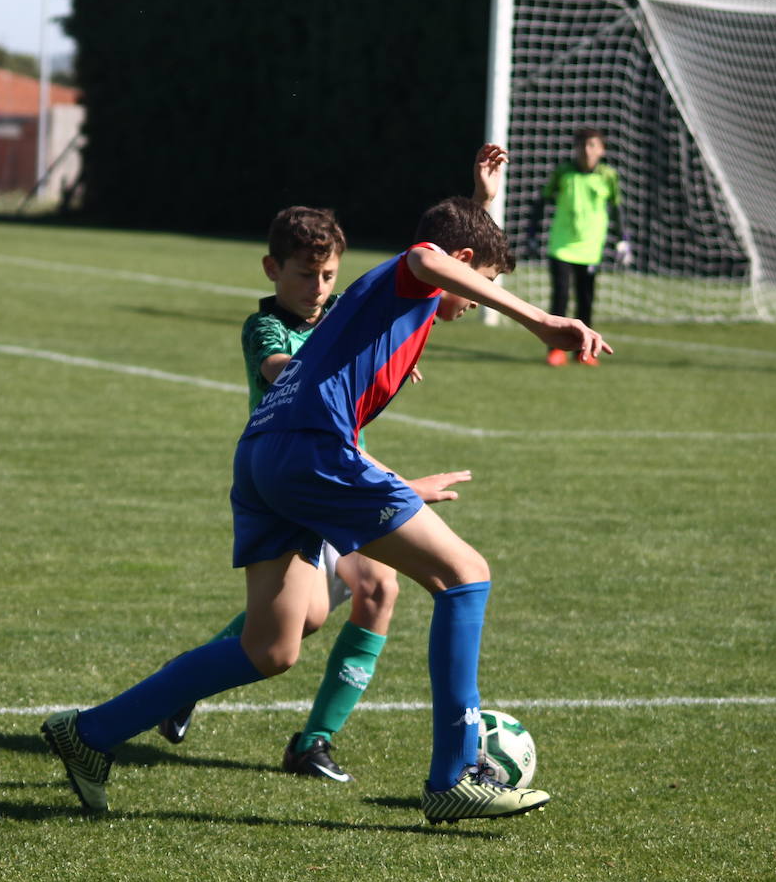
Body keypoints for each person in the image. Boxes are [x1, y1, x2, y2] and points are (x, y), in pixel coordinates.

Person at [41, 195, 610, 825]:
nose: (478, 300)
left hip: (264, 457)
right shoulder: (413, 277)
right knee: (464, 575)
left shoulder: (400, 307)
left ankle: (90, 733)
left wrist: (481, 199)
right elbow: (430, 254)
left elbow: (447, 248)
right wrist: (539, 320)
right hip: (311, 453)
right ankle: (453, 778)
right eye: (485, 284)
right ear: (467, 264)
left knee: (271, 646)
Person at [155, 145, 510, 785]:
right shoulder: (266, 329)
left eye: (327, 277)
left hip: (341, 463)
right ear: (273, 271)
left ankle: (314, 739)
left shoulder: (345, 313)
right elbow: (286, 371)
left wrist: (481, 203)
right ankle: (188, 679)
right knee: (300, 620)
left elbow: (437, 266)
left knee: (377, 590)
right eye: (303, 276)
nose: (318, 289)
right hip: (298, 474)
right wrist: (346, 358)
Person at [529, 127, 631, 367]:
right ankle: (555, 349)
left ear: (602, 150)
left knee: (586, 300)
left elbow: (617, 209)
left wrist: (622, 239)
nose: (587, 150)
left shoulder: (608, 176)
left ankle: (583, 351)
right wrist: (532, 234)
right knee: (560, 298)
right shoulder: (563, 173)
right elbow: (542, 202)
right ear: (575, 149)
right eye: (582, 145)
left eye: (593, 145)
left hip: (591, 249)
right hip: (561, 246)